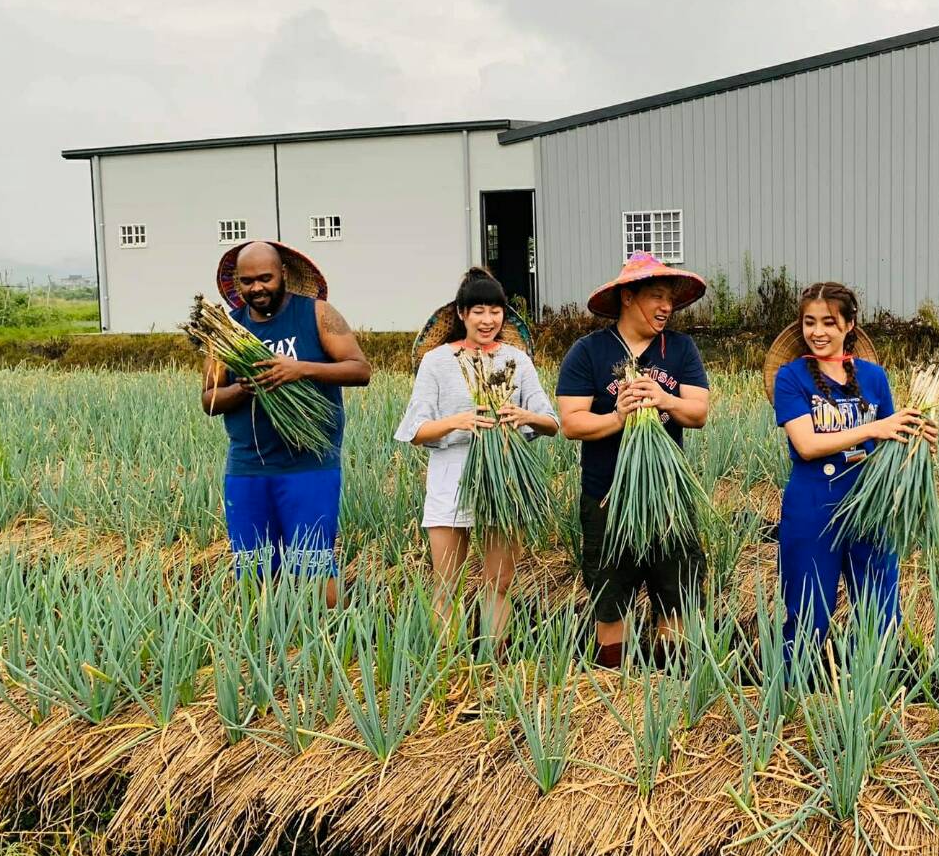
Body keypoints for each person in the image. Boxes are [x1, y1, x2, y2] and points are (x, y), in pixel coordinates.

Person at [556, 252, 711, 668]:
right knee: (609, 600)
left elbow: (698, 413)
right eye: (656, 296)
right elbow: (571, 423)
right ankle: (613, 694)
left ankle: (671, 686)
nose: (666, 307)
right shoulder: (588, 352)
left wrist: (663, 399)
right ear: (627, 297)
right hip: (607, 497)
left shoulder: (680, 349)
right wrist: (618, 417)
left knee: (676, 597)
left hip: (667, 497)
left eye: (670, 299)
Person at [768, 281, 937, 664]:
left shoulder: (874, 377)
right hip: (814, 505)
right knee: (809, 613)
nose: (818, 332)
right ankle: (796, 705)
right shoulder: (791, 378)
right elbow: (807, 445)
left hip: (870, 504)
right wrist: (873, 428)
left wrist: (920, 444)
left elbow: (892, 445)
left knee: (881, 613)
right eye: (810, 322)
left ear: (849, 325)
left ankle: (872, 698)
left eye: (829, 322)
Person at [200, 240, 371, 605]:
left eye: (265, 278)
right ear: (237, 284)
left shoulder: (318, 315)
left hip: (309, 462)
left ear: (284, 275)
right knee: (254, 569)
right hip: (248, 467)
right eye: (247, 282)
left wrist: (299, 369)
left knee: (315, 564)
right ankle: (266, 647)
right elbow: (209, 399)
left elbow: (360, 370)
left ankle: (329, 643)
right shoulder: (227, 332)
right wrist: (245, 388)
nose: (257, 288)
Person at [395, 267, 558, 641]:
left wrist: (524, 415)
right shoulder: (437, 361)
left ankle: (494, 662)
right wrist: (458, 421)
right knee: (446, 584)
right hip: (450, 485)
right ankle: (448, 671)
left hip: (506, 482)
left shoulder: (517, 360)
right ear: (462, 315)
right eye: (479, 311)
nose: (488, 320)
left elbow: (551, 422)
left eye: (495, 311)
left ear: (504, 314)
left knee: (499, 584)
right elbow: (416, 430)